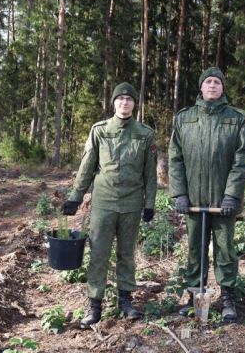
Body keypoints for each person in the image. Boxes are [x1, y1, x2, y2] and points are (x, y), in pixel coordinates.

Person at [62, 82, 157, 326]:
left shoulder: (144, 134)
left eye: (129, 99)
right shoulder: (99, 130)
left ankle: (125, 302)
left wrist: (150, 204)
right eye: (120, 99)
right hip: (103, 202)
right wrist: (75, 196)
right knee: (99, 254)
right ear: (113, 102)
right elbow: (87, 167)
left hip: (132, 203)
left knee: (127, 254)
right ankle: (95, 305)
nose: (124, 103)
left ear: (135, 104)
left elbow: (150, 174)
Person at [168, 67, 245, 323]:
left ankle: (227, 297)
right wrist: (180, 194)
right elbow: (175, 158)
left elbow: (243, 159)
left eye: (217, 82)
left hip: (223, 203)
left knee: (225, 250)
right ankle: (194, 294)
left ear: (222, 88)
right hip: (193, 202)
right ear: (201, 87)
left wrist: (232, 196)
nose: (213, 86)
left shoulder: (236, 118)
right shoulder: (184, 118)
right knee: (195, 250)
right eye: (208, 82)